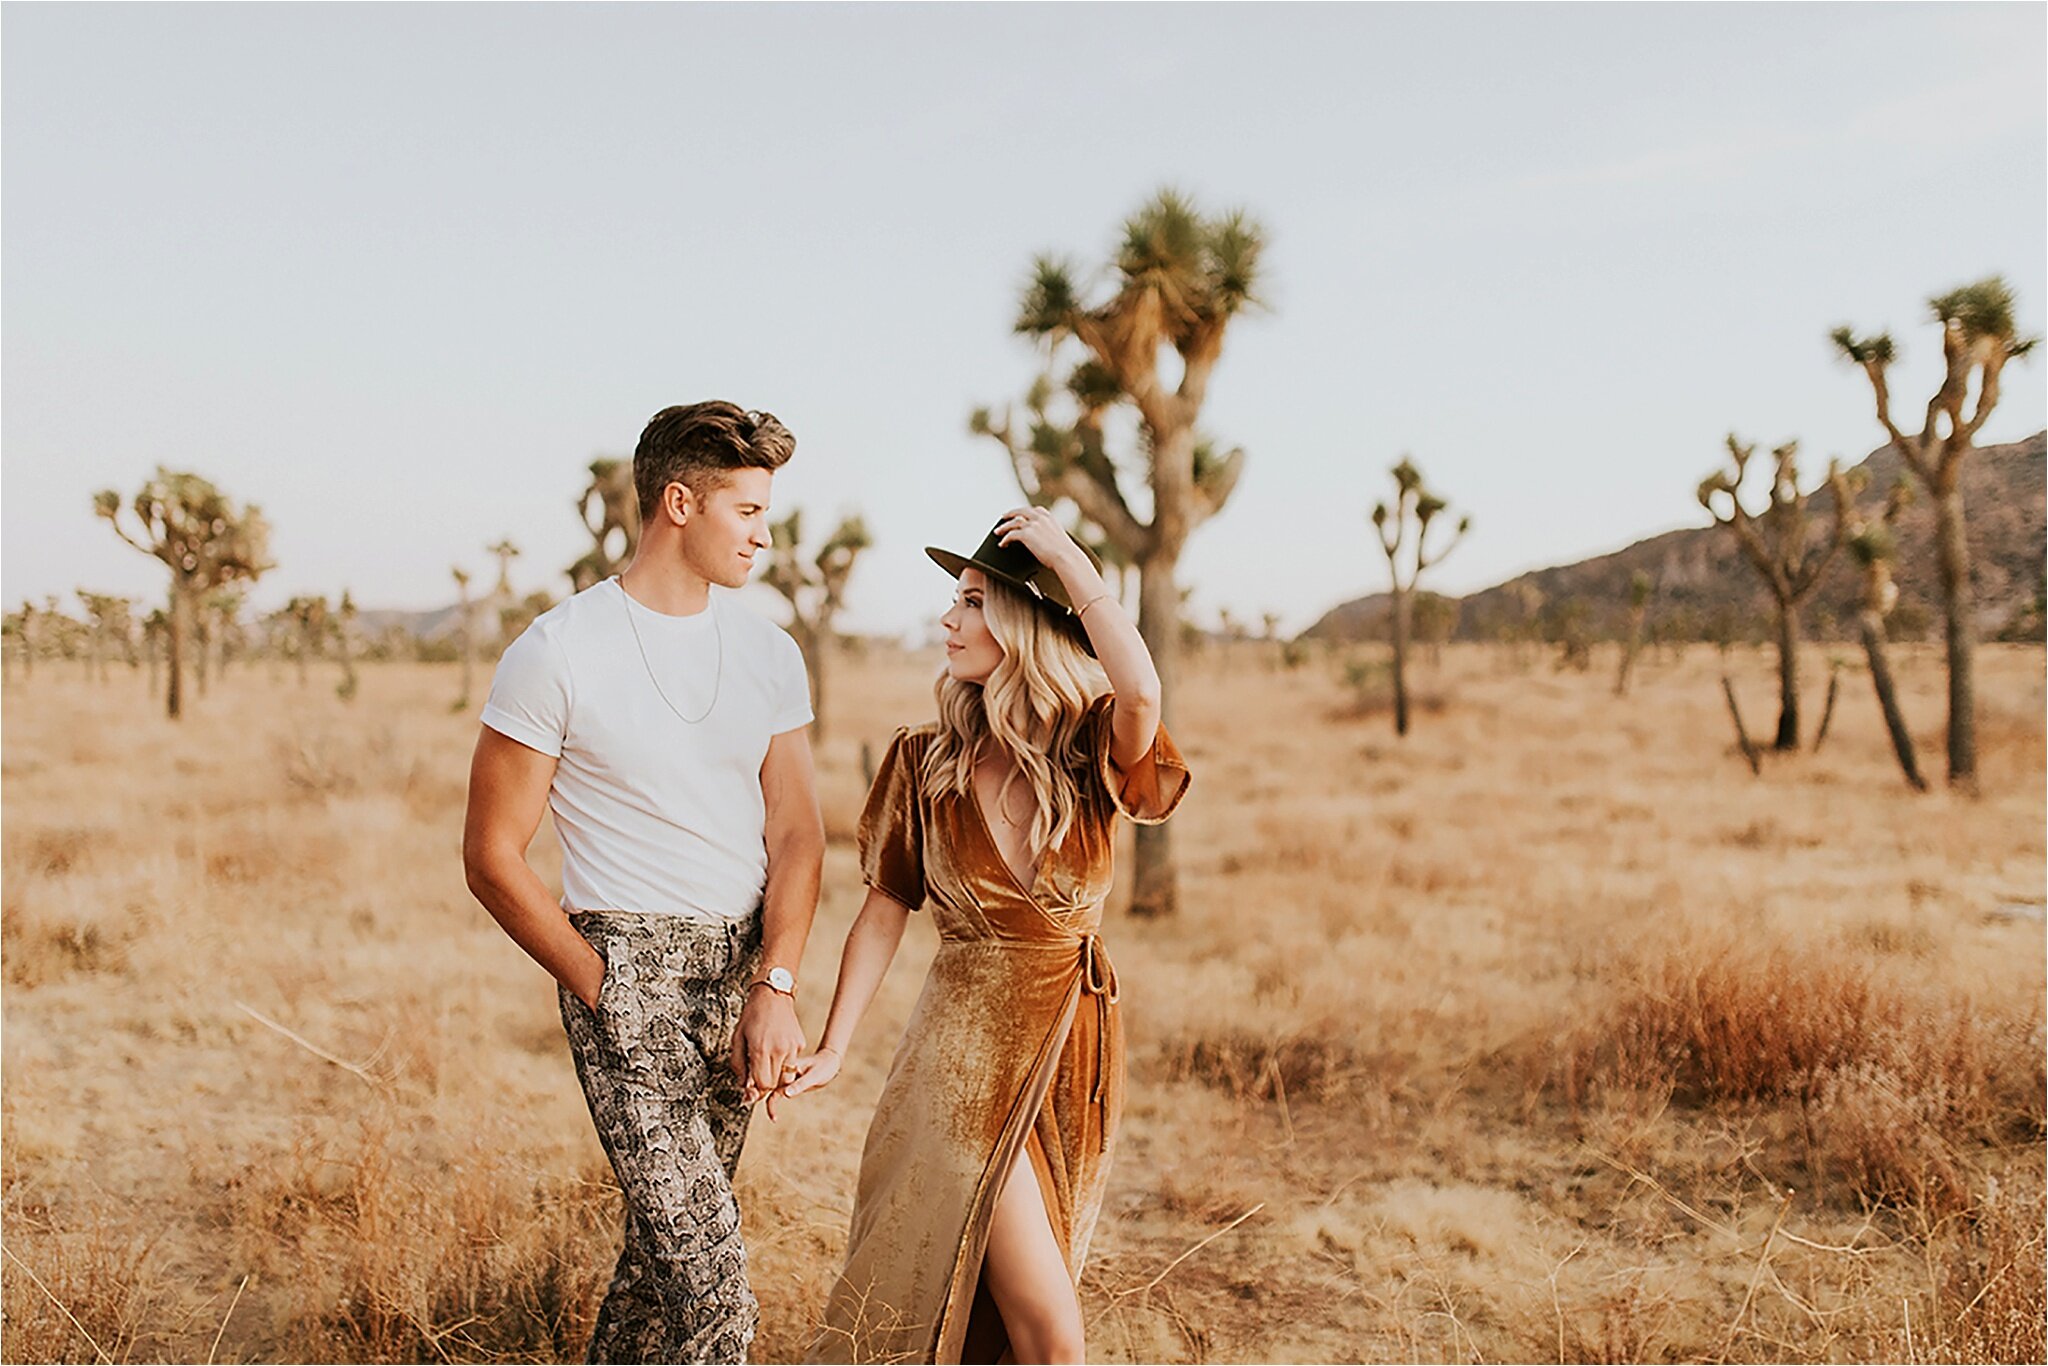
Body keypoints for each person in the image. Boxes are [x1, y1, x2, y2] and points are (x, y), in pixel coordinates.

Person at [461, 401, 826, 1364]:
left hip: (742, 978)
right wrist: (599, 984)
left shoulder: (768, 652)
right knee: (715, 1295)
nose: (764, 531)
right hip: (625, 972)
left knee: (654, 1276)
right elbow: (493, 854)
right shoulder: (557, 649)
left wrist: (775, 983)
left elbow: (797, 834)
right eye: (745, 509)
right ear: (678, 502)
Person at [784, 506, 1191, 1365]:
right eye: (955, 600)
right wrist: (833, 1044)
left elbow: (1144, 692)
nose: (948, 618)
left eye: (972, 601)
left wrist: (1069, 563)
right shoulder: (924, 762)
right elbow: (883, 909)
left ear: (1025, 625)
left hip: (1073, 1053)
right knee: (1046, 1328)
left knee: (1022, 1316)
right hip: (958, 1064)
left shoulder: (1089, 752)